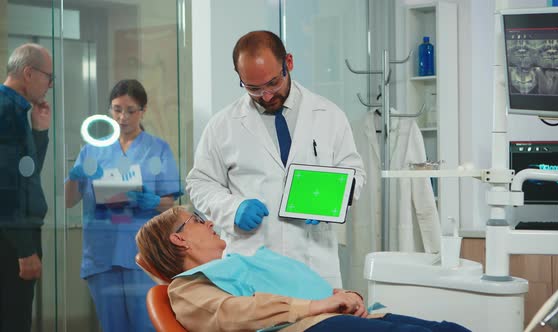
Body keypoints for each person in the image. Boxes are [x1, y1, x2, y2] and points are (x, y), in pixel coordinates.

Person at [185, 30, 366, 288]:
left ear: (288, 63)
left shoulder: (328, 114)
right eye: (253, 88)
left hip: (313, 260)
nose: (266, 96)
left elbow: (354, 172)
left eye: (272, 83)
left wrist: (333, 200)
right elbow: (200, 183)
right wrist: (233, 209)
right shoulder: (223, 125)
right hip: (253, 263)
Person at [135, 206, 471, 332]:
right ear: (179, 240)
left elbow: (305, 287)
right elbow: (234, 314)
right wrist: (317, 306)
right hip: (310, 327)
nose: (209, 221)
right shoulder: (187, 287)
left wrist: (344, 296)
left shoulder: (239, 264)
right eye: (196, 219)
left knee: (448, 329)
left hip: (335, 317)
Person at [64, 79, 182, 332]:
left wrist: (152, 201)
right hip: (102, 254)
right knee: (112, 326)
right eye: (117, 109)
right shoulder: (92, 150)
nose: (122, 117)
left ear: (143, 111)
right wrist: (74, 177)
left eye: (130, 110)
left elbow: (170, 204)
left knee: (146, 324)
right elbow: (69, 200)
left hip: (144, 253)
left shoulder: (157, 148)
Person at [0, 43, 53, 332]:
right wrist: (24, 249)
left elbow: (27, 173)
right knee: (14, 321)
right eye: (48, 77)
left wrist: (39, 132)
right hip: (10, 239)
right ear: (29, 73)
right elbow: (6, 188)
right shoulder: (6, 112)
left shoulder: (18, 111)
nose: (50, 85)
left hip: (13, 232)